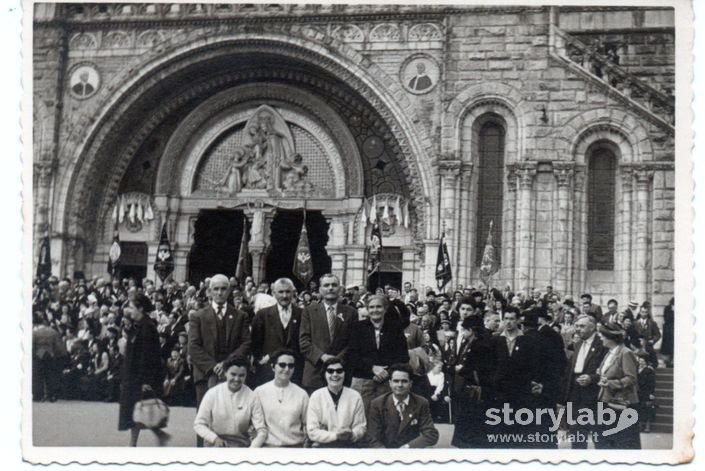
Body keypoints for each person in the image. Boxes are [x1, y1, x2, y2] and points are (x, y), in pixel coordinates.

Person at [188, 274, 251, 445]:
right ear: (209, 291)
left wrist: (226, 365)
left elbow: (246, 343)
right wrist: (213, 367)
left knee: (230, 417)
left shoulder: (240, 315)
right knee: (204, 418)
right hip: (206, 375)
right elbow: (193, 347)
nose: (220, 292)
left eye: (224, 289)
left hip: (232, 375)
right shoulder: (198, 316)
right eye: (216, 289)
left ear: (229, 290)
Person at [117, 293, 170, 447]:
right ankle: (156, 436)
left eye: (131, 307)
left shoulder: (148, 327)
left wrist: (145, 380)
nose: (128, 310)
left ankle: (134, 444)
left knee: (138, 409)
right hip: (133, 376)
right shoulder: (138, 325)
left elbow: (148, 357)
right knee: (137, 410)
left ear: (140, 308)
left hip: (139, 377)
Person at [349, 295, 410, 412]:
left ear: (385, 309)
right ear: (367, 309)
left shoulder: (395, 328)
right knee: (361, 418)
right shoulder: (358, 328)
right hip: (363, 380)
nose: (375, 310)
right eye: (371, 307)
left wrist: (388, 372)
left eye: (378, 307)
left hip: (387, 381)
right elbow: (352, 355)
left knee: (387, 419)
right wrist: (372, 368)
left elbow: (403, 357)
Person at [299, 274, 357, 392]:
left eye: (334, 285)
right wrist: (323, 357)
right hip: (315, 372)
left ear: (340, 289)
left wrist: (337, 360)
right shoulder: (309, 311)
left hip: (341, 372)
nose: (330, 288)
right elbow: (304, 342)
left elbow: (354, 342)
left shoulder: (351, 312)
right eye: (326, 285)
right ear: (320, 290)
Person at [193, 356, 267, 447]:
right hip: (215, 442)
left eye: (241, 375)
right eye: (233, 374)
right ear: (225, 373)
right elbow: (199, 424)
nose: (237, 379)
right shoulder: (212, 393)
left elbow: (261, 430)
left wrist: (252, 450)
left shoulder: (252, 396)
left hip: (242, 444)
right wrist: (213, 438)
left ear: (246, 375)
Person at [561, 314, 608, 448]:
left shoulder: (602, 344)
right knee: (577, 433)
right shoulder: (578, 343)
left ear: (593, 327)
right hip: (575, 393)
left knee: (598, 434)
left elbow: (607, 369)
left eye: (582, 326)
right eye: (576, 326)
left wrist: (592, 378)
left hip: (593, 394)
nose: (578, 329)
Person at [367, 363, 439, 448]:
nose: (400, 385)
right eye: (396, 381)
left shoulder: (421, 403)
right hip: (385, 454)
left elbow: (431, 434)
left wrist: (408, 447)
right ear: (390, 383)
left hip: (411, 454)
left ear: (411, 383)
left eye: (404, 381)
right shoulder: (377, 404)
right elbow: (373, 437)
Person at [450, 315, 496, 448]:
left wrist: (459, 369)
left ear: (471, 330)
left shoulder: (477, 345)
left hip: (474, 389)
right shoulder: (485, 342)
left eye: (464, 330)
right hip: (482, 389)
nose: (463, 333)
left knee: (470, 422)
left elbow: (470, 368)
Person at [595, 322, 640, 449]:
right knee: (606, 441)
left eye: (602, 336)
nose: (601, 338)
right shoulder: (609, 353)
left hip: (621, 404)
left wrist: (610, 383)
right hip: (606, 401)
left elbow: (631, 378)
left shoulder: (626, 353)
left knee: (622, 442)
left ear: (610, 338)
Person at [251, 278, 303, 387]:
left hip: (294, 371)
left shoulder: (302, 314)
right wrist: (261, 360)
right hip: (268, 371)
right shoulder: (262, 315)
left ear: (293, 293)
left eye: (288, 292)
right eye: (281, 292)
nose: (284, 296)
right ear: (274, 293)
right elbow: (255, 343)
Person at [253, 349, 309, 447]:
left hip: (295, 448)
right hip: (268, 448)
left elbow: (307, 424)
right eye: (282, 365)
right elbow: (257, 425)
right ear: (273, 367)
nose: (287, 369)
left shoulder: (302, 394)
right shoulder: (260, 392)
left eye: (291, 366)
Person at [307, 358, 367, 448]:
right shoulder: (316, 396)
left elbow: (361, 427)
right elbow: (312, 431)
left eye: (339, 371)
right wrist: (335, 436)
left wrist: (352, 434)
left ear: (344, 373)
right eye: (330, 371)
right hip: (323, 447)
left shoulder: (355, 396)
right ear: (324, 374)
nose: (335, 374)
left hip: (348, 446)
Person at [33, 315, 67, 402]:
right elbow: (59, 346)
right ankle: (51, 395)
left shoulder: (35, 332)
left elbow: (32, 346)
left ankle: (38, 396)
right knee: (50, 376)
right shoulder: (53, 332)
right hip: (50, 355)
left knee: (38, 376)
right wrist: (59, 355)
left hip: (38, 355)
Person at [661, 297, 674, 367]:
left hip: (674, 332)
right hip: (668, 333)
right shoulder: (667, 308)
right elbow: (666, 318)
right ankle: (668, 362)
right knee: (668, 349)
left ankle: (672, 361)